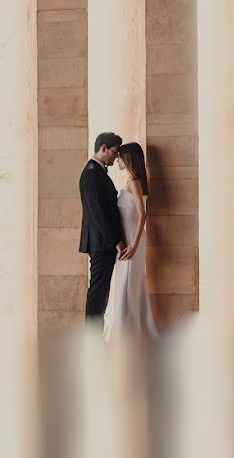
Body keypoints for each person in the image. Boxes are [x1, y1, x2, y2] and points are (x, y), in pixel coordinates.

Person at [105, 141, 158, 340]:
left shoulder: (135, 182)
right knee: (125, 282)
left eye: (120, 156)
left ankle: (127, 334)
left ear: (128, 159)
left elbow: (143, 214)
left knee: (128, 282)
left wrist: (134, 244)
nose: (117, 159)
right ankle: (128, 331)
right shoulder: (131, 181)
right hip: (128, 238)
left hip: (132, 239)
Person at [79, 132, 127, 329]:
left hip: (102, 241)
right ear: (103, 148)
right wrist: (117, 241)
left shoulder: (97, 171)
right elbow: (99, 214)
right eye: (114, 152)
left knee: (102, 290)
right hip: (100, 242)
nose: (116, 158)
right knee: (98, 291)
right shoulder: (91, 173)